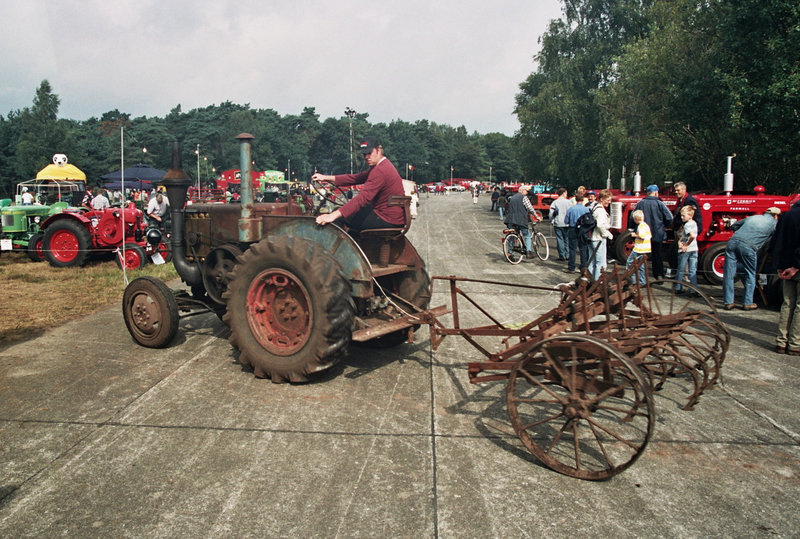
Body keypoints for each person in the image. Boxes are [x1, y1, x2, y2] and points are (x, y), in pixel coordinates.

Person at [312, 136, 405, 234]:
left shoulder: (380, 170)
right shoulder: (382, 166)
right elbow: (355, 178)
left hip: (387, 219)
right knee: (346, 217)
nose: (366, 157)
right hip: (391, 216)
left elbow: (363, 198)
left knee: (339, 217)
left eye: (369, 153)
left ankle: (336, 249)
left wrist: (331, 216)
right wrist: (325, 177)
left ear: (378, 150)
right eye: (364, 154)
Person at [722, 207, 781, 310]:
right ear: (776, 216)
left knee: (729, 273)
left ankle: (728, 302)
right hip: (748, 246)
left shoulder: (753, 217)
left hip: (732, 242)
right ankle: (748, 303)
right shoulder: (774, 224)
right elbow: (776, 240)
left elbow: (734, 225)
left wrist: (741, 234)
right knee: (750, 273)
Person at [771, 200, 800, 355]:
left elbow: (776, 241)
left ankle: (781, 342)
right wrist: (796, 266)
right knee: (799, 306)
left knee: (787, 303)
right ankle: (795, 344)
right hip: (796, 267)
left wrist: (780, 266)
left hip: (785, 267)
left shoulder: (787, 215)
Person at [631, 184, 673, 279]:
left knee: (641, 256)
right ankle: (659, 275)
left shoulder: (641, 203)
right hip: (657, 233)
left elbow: (632, 217)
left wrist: (634, 229)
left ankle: (641, 278)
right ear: (656, 193)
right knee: (657, 255)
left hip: (643, 235)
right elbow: (670, 217)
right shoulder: (660, 203)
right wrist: (664, 226)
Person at [504, 185, 537, 256]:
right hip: (520, 220)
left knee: (512, 236)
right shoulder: (524, 198)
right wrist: (536, 216)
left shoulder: (512, 198)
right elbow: (530, 208)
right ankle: (528, 251)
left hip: (510, 220)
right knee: (527, 235)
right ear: (522, 190)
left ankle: (510, 253)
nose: (527, 193)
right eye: (526, 191)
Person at [588, 190, 613, 280]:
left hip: (593, 237)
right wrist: (608, 234)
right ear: (602, 199)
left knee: (591, 261)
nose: (609, 202)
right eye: (608, 200)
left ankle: (589, 280)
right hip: (598, 238)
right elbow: (600, 225)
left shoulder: (595, 207)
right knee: (600, 262)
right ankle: (597, 282)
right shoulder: (600, 210)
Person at [674, 205, 699, 294]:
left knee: (681, 269)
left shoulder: (687, 225)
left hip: (686, 250)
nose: (681, 217)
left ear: (690, 216)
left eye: (683, 216)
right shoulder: (694, 223)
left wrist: (686, 245)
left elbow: (692, 236)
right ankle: (693, 288)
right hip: (694, 248)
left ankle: (678, 287)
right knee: (693, 270)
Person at [564, 194, 590, 273]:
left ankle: (571, 267)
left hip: (573, 229)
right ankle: (583, 267)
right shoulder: (586, 209)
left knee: (572, 249)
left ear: (575, 199)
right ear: (583, 200)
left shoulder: (571, 209)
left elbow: (566, 221)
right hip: (583, 230)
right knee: (583, 249)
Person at [626, 209, 651, 285]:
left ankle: (632, 280)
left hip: (639, 249)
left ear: (636, 219)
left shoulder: (641, 226)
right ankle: (643, 281)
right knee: (641, 266)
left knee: (629, 263)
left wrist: (634, 235)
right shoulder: (646, 225)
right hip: (645, 248)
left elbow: (642, 236)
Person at [549, 188, 571, 261]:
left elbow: (551, 214)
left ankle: (562, 255)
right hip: (567, 223)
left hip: (558, 223)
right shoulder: (569, 202)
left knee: (559, 239)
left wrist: (552, 220)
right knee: (567, 239)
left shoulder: (555, 202)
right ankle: (568, 254)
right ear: (564, 193)